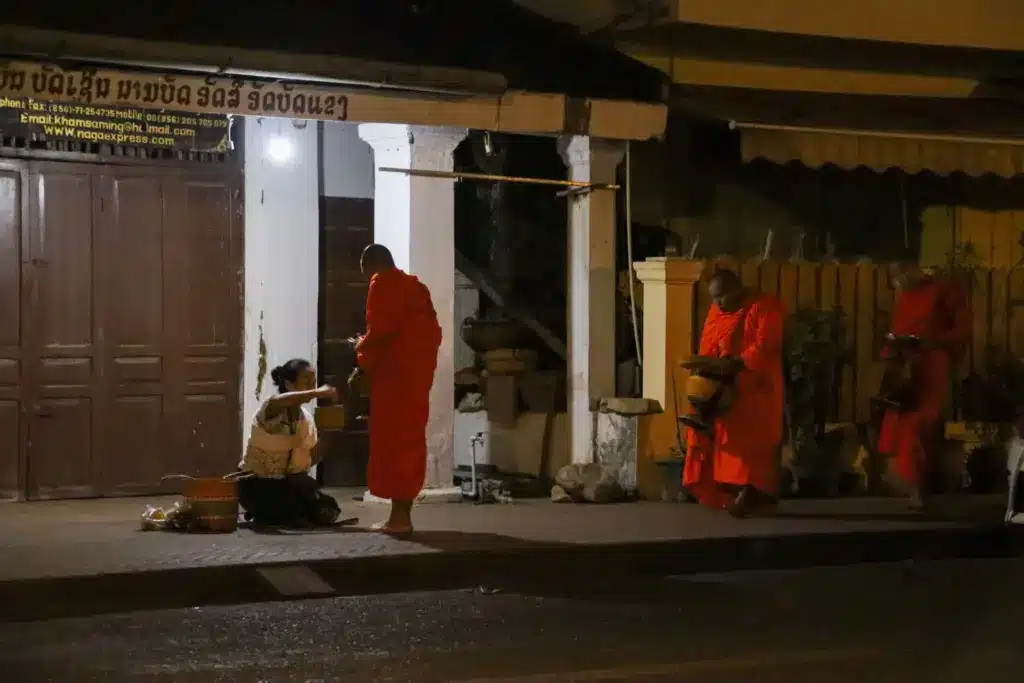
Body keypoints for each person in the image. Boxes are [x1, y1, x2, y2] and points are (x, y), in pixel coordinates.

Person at [349, 244, 442, 534]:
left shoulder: (382, 284)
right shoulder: (416, 288)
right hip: (415, 380)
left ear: (369, 265)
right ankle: (403, 515)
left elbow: (381, 332)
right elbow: (431, 334)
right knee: (410, 442)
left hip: (394, 380)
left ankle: (399, 519)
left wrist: (360, 351)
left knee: (393, 444)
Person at [681, 268, 786, 518]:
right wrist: (704, 366)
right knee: (724, 443)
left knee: (752, 446)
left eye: (722, 296)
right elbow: (708, 346)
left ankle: (752, 493)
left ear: (737, 288)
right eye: (714, 298)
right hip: (726, 387)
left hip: (758, 387)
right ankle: (731, 493)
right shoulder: (717, 312)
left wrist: (737, 362)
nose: (717, 303)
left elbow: (766, 344)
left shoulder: (764, 305)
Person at [878, 261, 969, 510]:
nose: (899, 282)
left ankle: (919, 486)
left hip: (932, 365)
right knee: (902, 424)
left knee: (921, 424)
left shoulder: (942, 289)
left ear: (914, 269)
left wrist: (935, 342)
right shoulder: (906, 296)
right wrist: (891, 352)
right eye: (895, 278)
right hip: (906, 366)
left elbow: (961, 328)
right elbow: (898, 328)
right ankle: (909, 483)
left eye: (902, 275)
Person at [237, 358, 342, 528]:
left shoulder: (306, 419)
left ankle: (278, 513)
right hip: (257, 483)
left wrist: (329, 434)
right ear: (288, 383)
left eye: (314, 382)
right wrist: (318, 393)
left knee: (326, 508)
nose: (312, 386)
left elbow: (310, 459)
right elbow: (279, 401)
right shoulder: (271, 408)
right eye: (306, 381)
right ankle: (267, 512)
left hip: (286, 484)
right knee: (290, 512)